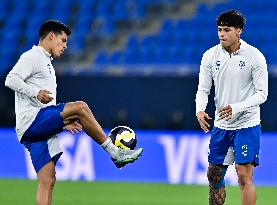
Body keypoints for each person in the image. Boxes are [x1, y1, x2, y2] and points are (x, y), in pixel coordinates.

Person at [5, 20, 143, 205]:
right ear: (51, 36)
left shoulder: (45, 62)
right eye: (62, 40)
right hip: (32, 121)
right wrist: (35, 93)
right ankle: (115, 153)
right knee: (80, 107)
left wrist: (62, 121)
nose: (65, 46)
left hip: (36, 126)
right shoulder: (33, 56)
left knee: (47, 179)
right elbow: (10, 79)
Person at [195, 10, 268, 205]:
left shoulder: (255, 56)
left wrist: (236, 107)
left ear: (239, 31)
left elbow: (262, 94)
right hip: (222, 125)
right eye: (219, 30)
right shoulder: (210, 56)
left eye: (227, 30)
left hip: (247, 124)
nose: (221, 34)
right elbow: (203, 89)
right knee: (214, 174)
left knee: (244, 176)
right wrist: (200, 109)